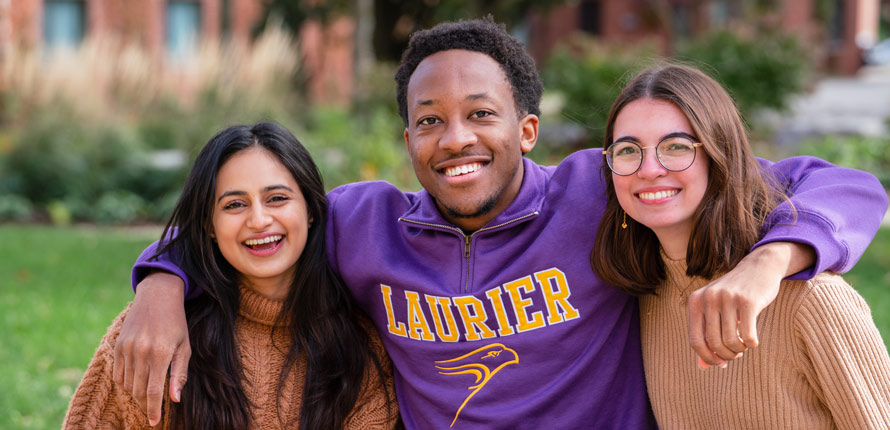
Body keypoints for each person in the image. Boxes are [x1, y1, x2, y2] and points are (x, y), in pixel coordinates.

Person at [117, 19, 888, 429]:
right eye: (430, 121)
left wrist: (766, 263)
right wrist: (158, 283)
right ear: (409, 138)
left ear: (526, 130)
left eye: (481, 115)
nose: (456, 139)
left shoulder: (601, 191)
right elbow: (246, 226)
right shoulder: (363, 224)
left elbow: (846, 187)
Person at [592, 64, 890, 428]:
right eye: (627, 150)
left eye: (677, 146)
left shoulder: (811, 300)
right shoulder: (645, 296)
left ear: (720, 157)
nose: (649, 168)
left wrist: (769, 260)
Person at [63, 123, 398, 429]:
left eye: (277, 198)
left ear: (310, 210)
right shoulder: (154, 331)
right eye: (235, 205)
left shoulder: (358, 345)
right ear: (209, 224)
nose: (258, 220)